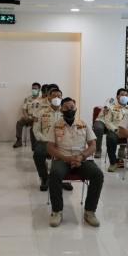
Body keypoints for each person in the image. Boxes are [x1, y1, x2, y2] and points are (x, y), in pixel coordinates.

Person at [46, 97, 104, 227]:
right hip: (62, 159)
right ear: (61, 110)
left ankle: (90, 211)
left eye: (72, 108)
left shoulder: (83, 124)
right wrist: (66, 158)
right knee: (54, 174)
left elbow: (92, 145)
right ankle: (57, 211)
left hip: (82, 160)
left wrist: (81, 157)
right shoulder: (55, 125)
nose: (69, 110)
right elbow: (49, 147)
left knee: (98, 175)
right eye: (66, 108)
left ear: (76, 109)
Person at [93, 88, 128, 171]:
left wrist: (127, 132)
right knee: (110, 138)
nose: (124, 97)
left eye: (126, 95)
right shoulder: (111, 107)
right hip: (115, 130)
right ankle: (113, 163)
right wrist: (116, 130)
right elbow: (107, 122)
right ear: (117, 97)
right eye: (122, 95)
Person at [33, 87, 63, 191]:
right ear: (49, 98)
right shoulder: (42, 112)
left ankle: (64, 179)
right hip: (45, 141)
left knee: (70, 152)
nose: (56, 98)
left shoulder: (66, 112)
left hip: (62, 142)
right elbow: (36, 130)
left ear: (62, 98)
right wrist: (45, 140)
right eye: (54, 96)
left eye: (59, 96)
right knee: (38, 153)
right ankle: (44, 178)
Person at [14, 82, 41, 148]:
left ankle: (37, 143)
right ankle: (19, 141)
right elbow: (24, 108)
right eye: (32, 88)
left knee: (34, 128)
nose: (33, 90)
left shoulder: (42, 99)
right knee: (19, 123)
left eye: (35, 88)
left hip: (37, 118)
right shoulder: (28, 98)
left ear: (39, 89)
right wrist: (25, 115)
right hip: (29, 117)